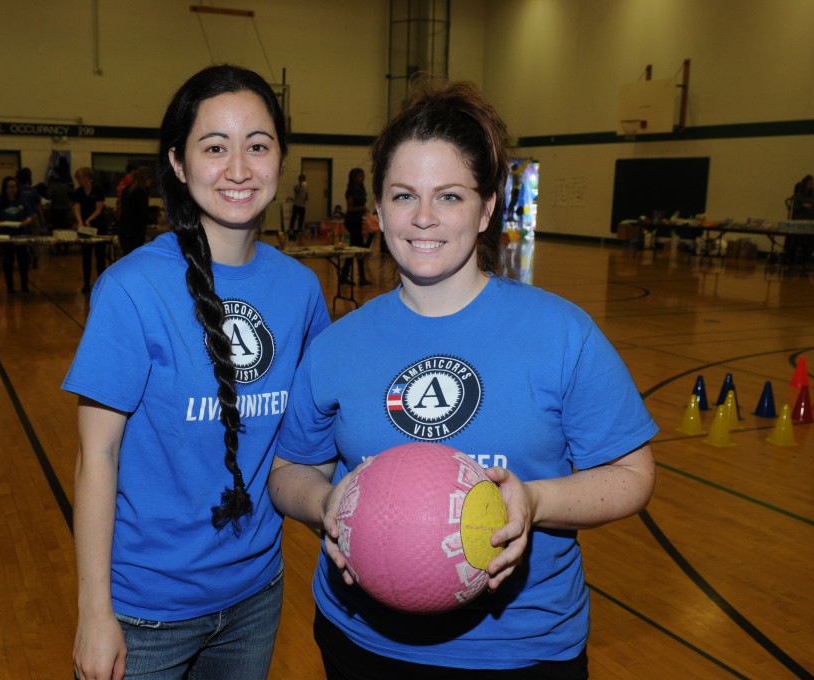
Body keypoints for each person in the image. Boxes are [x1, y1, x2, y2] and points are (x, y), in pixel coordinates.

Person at [268, 79, 657, 679]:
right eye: (403, 196)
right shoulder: (338, 345)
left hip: (522, 651)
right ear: (377, 209)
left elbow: (633, 475)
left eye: (449, 196)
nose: (423, 218)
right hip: (361, 645)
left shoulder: (561, 333)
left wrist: (536, 499)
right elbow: (290, 470)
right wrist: (324, 504)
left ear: (488, 206)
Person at [63, 64, 330, 680]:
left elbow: (311, 436)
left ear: (280, 160)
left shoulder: (301, 290)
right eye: (215, 147)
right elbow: (94, 459)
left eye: (257, 146)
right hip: (143, 612)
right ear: (178, 165)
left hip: (255, 598)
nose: (239, 169)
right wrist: (93, 613)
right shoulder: (131, 290)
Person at [0, 176, 33, 293]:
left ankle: (24, 285)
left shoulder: (22, 200)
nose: (12, 189)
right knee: (8, 261)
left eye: (14, 187)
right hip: (6, 234)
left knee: (23, 261)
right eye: (9, 187)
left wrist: (27, 221)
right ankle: (10, 286)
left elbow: (29, 215)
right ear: (5, 188)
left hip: (21, 234)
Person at [72, 166, 109, 293]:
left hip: (98, 226)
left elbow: (99, 209)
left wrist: (89, 220)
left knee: (100, 256)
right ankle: (86, 283)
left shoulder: (98, 190)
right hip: (85, 228)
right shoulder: (78, 192)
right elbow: (77, 208)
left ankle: (101, 284)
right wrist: (80, 222)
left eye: (80, 177)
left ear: (87, 177)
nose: (78, 180)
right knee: (86, 256)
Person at [338, 167, 371, 285]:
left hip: (357, 221)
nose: (362, 178)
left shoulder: (361, 189)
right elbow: (350, 208)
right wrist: (362, 208)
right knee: (359, 249)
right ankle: (360, 277)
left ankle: (344, 276)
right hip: (351, 221)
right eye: (360, 176)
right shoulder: (350, 191)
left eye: (363, 176)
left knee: (355, 249)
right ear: (354, 178)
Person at [115, 165, 154, 256]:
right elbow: (142, 213)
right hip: (135, 233)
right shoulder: (141, 191)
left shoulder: (127, 189)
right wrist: (152, 219)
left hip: (124, 231)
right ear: (147, 178)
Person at [785, 174, 814, 268]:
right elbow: (795, 209)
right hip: (799, 223)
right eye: (810, 183)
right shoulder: (798, 196)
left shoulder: (812, 197)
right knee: (795, 242)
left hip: (810, 223)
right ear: (805, 184)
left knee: (809, 243)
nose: (812, 185)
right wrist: (803, 206)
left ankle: (806, 260)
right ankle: (790, 260)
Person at [289, 173, 308, 240]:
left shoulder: (305, 188)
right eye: (302, 179)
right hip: (296, 204)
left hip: (303, 205)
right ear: (299, 179)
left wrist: (306, 197)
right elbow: (296, 191)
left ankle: (300, 230)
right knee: (294, 217)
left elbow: (307, 197)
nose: (303, 180)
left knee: (301, 218)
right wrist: (300, 185)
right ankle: (291, 229)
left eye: (304, 179)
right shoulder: (296, 186)